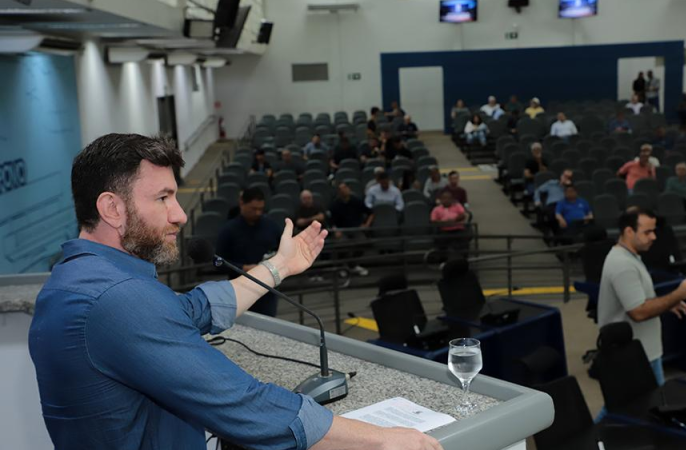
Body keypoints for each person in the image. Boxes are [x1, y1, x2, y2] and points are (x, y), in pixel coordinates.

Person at [28, 133, 442, 450]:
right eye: (163, 198)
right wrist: (382, 439)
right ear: (112, 208)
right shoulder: (115, 298)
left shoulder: (80, 279)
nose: (180, 214)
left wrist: (278, 267)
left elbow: (189, 310)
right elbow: (243, 404)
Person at [598, 208, 686, 388]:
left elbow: (639, 300)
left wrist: (667, 304)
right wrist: (679, 294)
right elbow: (638, 312)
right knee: (632, 409)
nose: (653, 237)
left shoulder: (630, 257)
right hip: (635, 356)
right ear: (629, 231)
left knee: (633, 409)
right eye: (647, 232)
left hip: (643, 352)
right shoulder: (623, 264)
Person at [217, 187, 283, 316]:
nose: (258, 213)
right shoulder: (228, 230)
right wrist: (243, 268)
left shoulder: (271, 226)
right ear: (242, 203)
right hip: (239, 288)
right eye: (254, 209)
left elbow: (283, 252)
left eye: (261, 209)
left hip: (267, 290)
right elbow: (218, 263)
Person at [329, 182, 373, 277]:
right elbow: (331, 222)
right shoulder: (335, 204)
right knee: (341, 244)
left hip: (356, 228)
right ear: (339, 192)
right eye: (341, 189)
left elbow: (370, 213)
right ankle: (342, 266)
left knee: (363, 242)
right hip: (342, 230)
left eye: (345, 188)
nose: (344, 190)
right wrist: (336, 230)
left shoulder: (356, 200)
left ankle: (352, 264)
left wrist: (366, 225)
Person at [430, 190, 469, 255]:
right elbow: (433, 221)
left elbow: (463, 215)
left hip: (458, 229)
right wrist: (444, 223)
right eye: (444, 198)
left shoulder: (457, 205)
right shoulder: (436, 209)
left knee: (464, 238)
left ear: (452, 199)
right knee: (440, 241)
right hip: (444, 231)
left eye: (448, 198)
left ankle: (463, 258)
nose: (446, 200)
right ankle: (443, 260)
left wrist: (453, 220)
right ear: (441, 200)